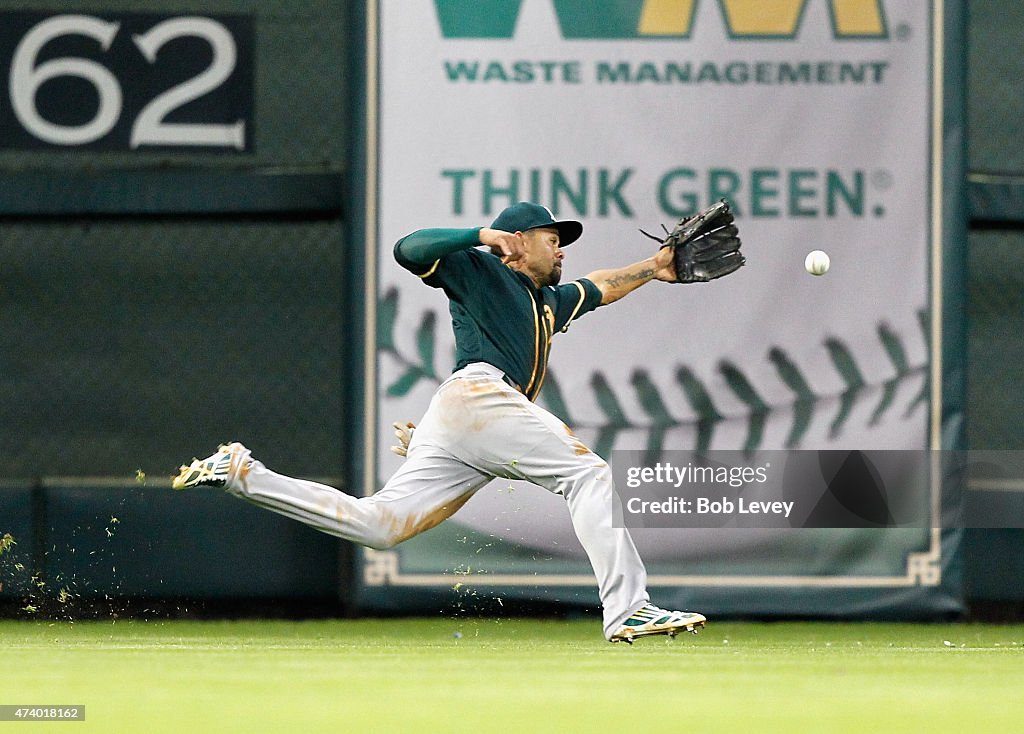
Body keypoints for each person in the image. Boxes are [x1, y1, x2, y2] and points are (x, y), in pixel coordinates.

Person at [173, 202, 706, 643]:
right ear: (519, 241)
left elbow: (601, 285)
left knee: (379, 525)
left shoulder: (546, 302)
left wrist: (654, 267)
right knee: (588, 475)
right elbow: (409, 249)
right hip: (480, 395)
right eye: (552, 239)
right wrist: (480, 236)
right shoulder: (482, 270)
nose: (561, 248)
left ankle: (244, 474)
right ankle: (629, 607)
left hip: (467, 418)